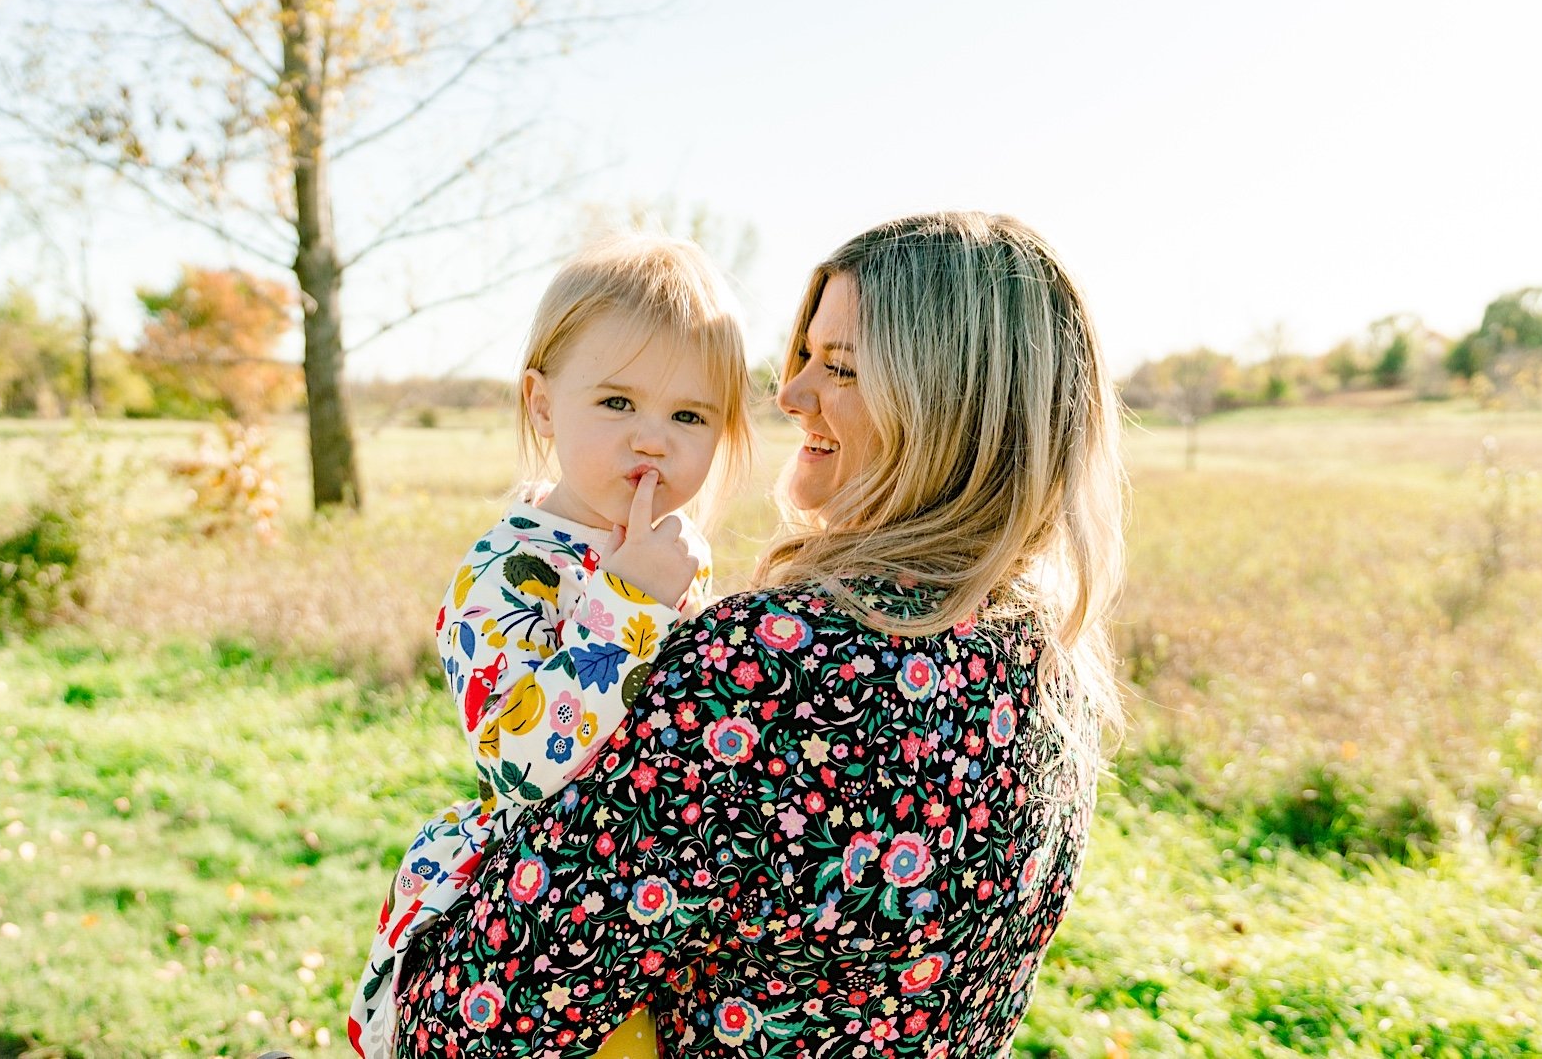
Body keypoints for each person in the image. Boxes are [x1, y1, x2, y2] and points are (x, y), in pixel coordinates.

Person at [392, 211, 1127, 1057]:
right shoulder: (1047, 658)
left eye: (839, 368)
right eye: (803, 356)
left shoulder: (769, 662)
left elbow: (475, 1025)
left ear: (947, 407)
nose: (789, 395)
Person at [345, 234, 756, 1059]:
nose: (653, 440)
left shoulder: (680, 549)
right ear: (541, 404)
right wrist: (630, 600)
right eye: (616, 404)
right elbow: (519, 762)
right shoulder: (508, 566)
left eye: (688, 416)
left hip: (658, 906)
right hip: (542, 910)